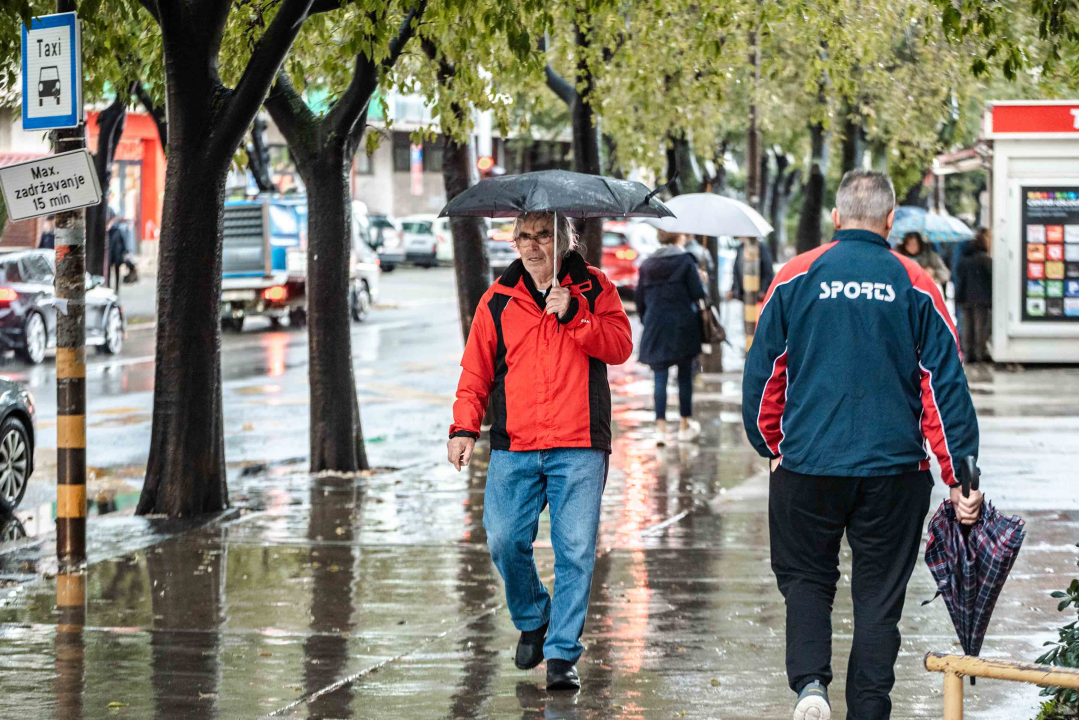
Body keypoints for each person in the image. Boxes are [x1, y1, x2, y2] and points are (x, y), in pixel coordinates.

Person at [742, 170, 983, 720]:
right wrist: (960, 475)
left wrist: (771, 444)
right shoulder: (916, 282)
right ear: (890, 221)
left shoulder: (795, 276)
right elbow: (943, 384)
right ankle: (869, 709)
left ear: (836, 217)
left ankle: (810, 687)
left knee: (807, 581)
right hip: (893, 473)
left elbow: (764, 376)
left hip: (807, 466)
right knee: (879, 598)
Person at [447, 212, 632, 692]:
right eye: (523, 237)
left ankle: (562, 653)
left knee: (575, 552)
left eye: (543, 235)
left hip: (580, 442)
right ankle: (534, 616)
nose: (531, 246)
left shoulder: (595, 288)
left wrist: (575, 314)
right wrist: (464, 428)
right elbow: (475, 371)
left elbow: (620, 347)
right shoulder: (498, 298)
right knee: (503, 539)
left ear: (564, 240)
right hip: (517, 443)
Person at [636, 229, 706, 445]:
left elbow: (640, 300)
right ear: (679, 237)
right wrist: (702, 279)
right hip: (683, 327)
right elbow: (698, 294)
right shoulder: (686, 261)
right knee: (685, 377)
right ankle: (684, 426)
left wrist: (648, 321)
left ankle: (660, 430)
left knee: (660, 378)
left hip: (656, 326)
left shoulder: (647, 265)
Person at [955, 227, 993, 363]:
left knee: (967, 326)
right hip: (981, 299)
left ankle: (967, 353)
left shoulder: (963, 261)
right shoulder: (986, 260)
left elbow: (959, 279)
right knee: (980, 327)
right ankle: (979, 353)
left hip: (965, 298)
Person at [896, 231, 950, 295]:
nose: (911, 247)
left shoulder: (930, 256)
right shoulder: (898, 256)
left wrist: (933, 273)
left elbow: (945, 274)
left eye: (914, 244)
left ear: (919, 244)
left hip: (925, 291)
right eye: (908, 244)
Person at [728, 236, 775, 303]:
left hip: (758, 293)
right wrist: (734, 289)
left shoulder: (761, 247)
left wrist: (763, 289)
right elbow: (736, 271)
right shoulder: (741, 248)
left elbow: (768, 270)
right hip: (744, 293)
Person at [107, 210, 139, 287]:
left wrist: (127, 252)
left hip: (117, 254)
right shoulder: (111, 231)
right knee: (110, 270)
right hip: (112, 254)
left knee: (116, 270)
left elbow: (123, 243)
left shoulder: (119, 231)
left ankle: (116, 287)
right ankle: (109, 286)